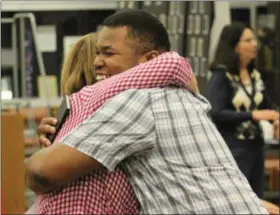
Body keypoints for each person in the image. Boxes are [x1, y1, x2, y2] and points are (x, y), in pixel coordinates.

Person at [26, 10, 269, 214]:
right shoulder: (183, 97)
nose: (97, 62)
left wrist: (56, 145)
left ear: (151, 60)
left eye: (108, 53)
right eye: (97, 53)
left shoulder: (138, 102)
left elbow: (42, 173)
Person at [208, 22, 279, 200]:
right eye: (248, 40)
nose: (255, 44)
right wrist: (252, 115)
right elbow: (216, 113)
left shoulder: (255, 75)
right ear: (234, 46)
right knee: (238, 199)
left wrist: (276, 119)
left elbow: (267, 108)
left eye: (254, 39)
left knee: (257, 198)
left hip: (256, 145)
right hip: (234, 147)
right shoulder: (221, 75)